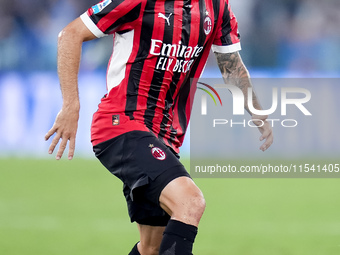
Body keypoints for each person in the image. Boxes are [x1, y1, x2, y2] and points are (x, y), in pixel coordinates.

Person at [45, 0, 273, 254]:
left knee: (152, 248)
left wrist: (256, 109)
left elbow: (230, 64)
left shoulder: (217, 7)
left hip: (165, 137)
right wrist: (70, 106)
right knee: (190, 201)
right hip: (121, 125)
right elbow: (70, 34)